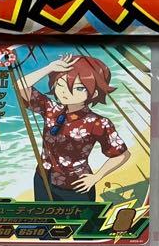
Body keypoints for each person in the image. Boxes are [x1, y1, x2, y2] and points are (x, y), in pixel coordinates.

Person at [14, 54, 130, 202]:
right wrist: (49, 68)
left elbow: (122, 154)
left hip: (76, 186)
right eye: (60, 84)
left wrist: (97, 177)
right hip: (43, 180)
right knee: (44, 217)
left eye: (78, 88)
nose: (65, 92)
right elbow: (20, 86)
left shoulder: (98, 122)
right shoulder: (51, 109)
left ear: (94, 92)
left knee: (80, 218)